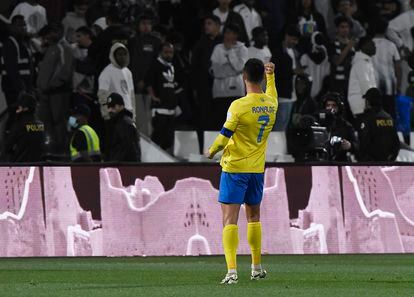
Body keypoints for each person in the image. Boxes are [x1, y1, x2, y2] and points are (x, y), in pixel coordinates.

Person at [207, 60, 277, 284]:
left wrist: (211, 151)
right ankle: (256, 268)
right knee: (254, 217)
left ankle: (232, 272)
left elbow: (224, 137)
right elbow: (272, 93)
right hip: (257, 170)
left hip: (235, 168)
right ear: (261, 78)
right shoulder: (271, 104)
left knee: (230, 220)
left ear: (244, 77)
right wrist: (271, 76)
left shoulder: (239, 106)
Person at [36, 23, 74, 154]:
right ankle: (50, 150)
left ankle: (62, 152)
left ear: (56, 32)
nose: (45, 38)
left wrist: (51, 86)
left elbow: (65, 72)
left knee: (59, 122)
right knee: (47, 123)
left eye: (48, 35)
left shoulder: (64, 48)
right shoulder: (52, 48)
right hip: (46, 93)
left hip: (58, 93)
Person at [191, 14, 222, 148]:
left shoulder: (223, 43)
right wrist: (195, 88)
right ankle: (205, 148)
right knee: (204, 118)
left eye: (209, 24)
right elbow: (195, 67)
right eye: (205, 24)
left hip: (221, 88)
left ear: (217, 26)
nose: (206, 27)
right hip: (204, 88)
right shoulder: (200, 44)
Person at [210, 24, 249, 130]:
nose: (226, 35)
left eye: (229, 33)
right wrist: (232, 71)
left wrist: (230, 51)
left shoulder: (242, 49)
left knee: (235, 123)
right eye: (225, 33)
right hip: (220, 90)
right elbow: (216, 71)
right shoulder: (218, 48)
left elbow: (239, 67)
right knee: (220, 121)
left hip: (236, 90)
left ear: (235, 35)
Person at [129, 14, 162, 136]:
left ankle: (149, 142)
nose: (146, 26)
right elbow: (132, 63)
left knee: (149, 117)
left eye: (148, 24)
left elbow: (155, 65)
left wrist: (146, 81)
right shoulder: (132, 41)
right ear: (138, 26)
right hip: (134, 85)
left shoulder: (156, 42)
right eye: (143, 24)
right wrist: (137, 80)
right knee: (137, 115)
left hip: (151, 87)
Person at [1, 15, 34, 132]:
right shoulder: (10, 43)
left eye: (24, 25)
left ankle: (20, 142)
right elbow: (12, 69)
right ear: (11, 27)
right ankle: (8, 142)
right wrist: (21, 88)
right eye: (19, 25)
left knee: (22, 116)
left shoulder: (24, 44)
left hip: (23, 87)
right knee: (16, 114)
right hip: (13, 88)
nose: (22, 28)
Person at [145, 42, 179, 152]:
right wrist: (153, 97)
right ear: (160, 52)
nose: (169, 55)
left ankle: (162, 158)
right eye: (166, 52)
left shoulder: (171, 67)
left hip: (170, 108)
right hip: (159, 108)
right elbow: (148, 82)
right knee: (157, 135)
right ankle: (151, 157)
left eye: (171, 52)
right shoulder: (155, 64)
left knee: (168, 139)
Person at [370, 18, 402, 119]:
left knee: (374, 116)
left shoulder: (368, 45)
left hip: (373, 87)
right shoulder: (392, 45)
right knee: (389, 116)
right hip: (390, 87)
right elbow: (398, 68)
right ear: (386, 29)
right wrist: (398, 86)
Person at [359, 87, 400, 161]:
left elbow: (364, 144)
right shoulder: (389, 118)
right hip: (387, 164)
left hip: (371, 165)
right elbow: (396, 144)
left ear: (368, 102)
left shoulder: (367, 118)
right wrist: (389, 160)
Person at [98, 43, 135, 120]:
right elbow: (102, 95)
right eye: (119, 54)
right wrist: (106, 115)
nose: (122, 57)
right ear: (113, 55)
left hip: (128, 113)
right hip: (114, 114)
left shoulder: (128, 72)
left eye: (124, 54)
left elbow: (131, 96)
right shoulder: (107, 72)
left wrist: (133, 115)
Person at [4, 93, 45, 162]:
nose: (17, 110)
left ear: (25, 109)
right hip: (37, 163)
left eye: (19, 107)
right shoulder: (40, 125)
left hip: (21, 165)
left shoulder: (19, 125)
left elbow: (7, 148)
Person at [347, 36, 377, 127]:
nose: (375, 47)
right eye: (372, 44)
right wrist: (370, 102)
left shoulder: (366, 61)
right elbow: (365, 83)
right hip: (362, 104)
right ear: (363, 47)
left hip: (364, 103)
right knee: (364, 133)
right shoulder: (361, 62)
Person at [320, 92, 358, 161]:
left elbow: (357, 145)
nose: (330, 108)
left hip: (340, 162)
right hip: (322, 163)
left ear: (339, 107)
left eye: (334, 105)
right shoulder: (319, 124)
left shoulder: (346, 126)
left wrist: (350, 145)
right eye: (328, 105)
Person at [104, 93, 141, 162]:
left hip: (124, 167)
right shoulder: (118, 122)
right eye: (108, 107)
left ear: (121, 106)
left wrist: (114, 162)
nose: (110, 110)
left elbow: (128, 148)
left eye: (113, 107)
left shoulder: (125, 123)